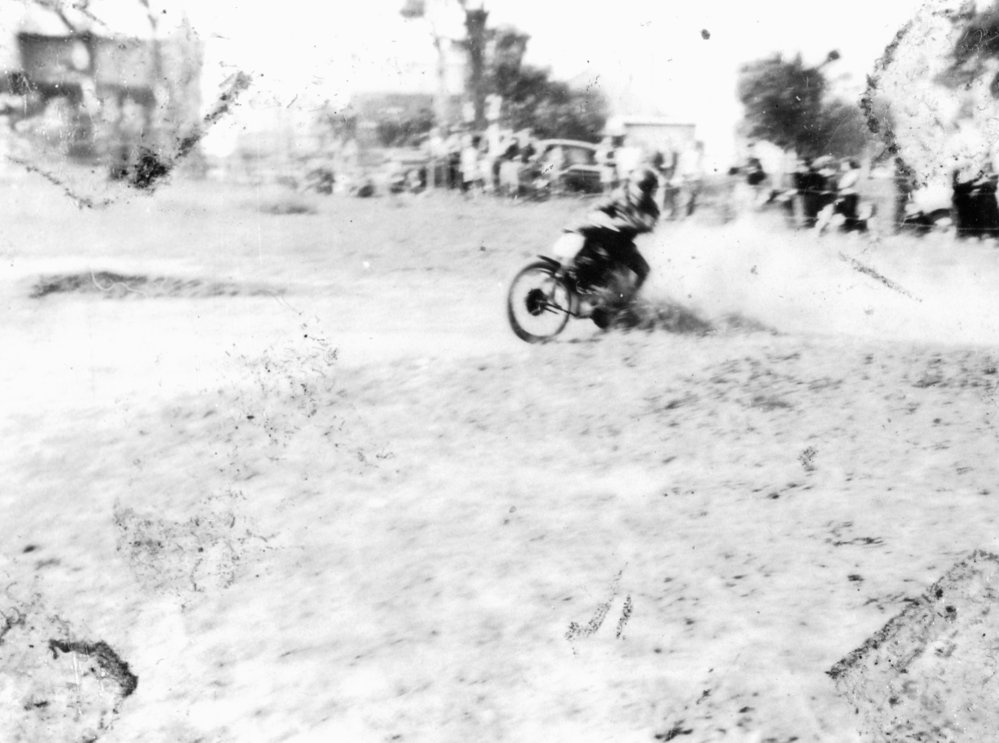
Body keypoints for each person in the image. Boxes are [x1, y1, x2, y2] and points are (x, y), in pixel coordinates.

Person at [557, 167, 661, 298]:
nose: (639, 192)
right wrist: (594, 213)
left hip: (622, 244)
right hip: (603, 234)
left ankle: (628, 300)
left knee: (644, 270)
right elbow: (600, 205)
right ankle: (562, 273)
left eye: (645, 189)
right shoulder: (621, 194)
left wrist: (615, 223)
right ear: (631, 184)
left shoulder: (652, 209)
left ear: (649, 192)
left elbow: (644, 224)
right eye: (638, 186)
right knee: (577, 235)